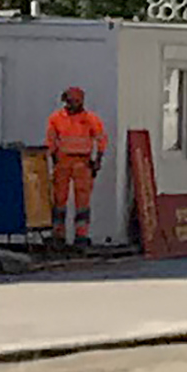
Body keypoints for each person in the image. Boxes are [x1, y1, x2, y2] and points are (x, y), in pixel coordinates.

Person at [44, 86, 109, 250]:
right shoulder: (56, 118)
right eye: (71, 101)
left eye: (77, 101)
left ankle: (81, 235)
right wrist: (54, 160)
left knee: (83, 201)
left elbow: (101, 139)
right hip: (63, 162)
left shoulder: (90, 119)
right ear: (65, 101)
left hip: (83, 161)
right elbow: (51, 141)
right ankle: (58, 234)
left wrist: (97, 160)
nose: (74, 104)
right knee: (59, 198)